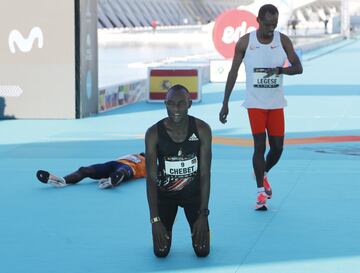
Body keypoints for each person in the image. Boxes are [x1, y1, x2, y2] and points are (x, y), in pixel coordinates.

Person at [219, 4, 303, 211]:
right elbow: (232, 72)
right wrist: (225, 103)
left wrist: (280, 71)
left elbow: (298, 68)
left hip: (275, 104)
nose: (271, 28)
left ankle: (262, 172)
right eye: (267, 24)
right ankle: (260, 195)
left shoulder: (282, 40)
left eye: (274, 24)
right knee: (259, 146)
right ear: (258, 20)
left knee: (278, 149)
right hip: (255, 103)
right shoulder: (245, 42)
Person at [145, 84, 212, 257]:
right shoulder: (153, 133)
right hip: (165, 197)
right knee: (161, 252)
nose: (176, 108)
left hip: (193, 196)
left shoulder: (202, 129)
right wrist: (154, 220)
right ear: (165, 104)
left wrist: (203, 214)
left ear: (189, 104)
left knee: (202, 251)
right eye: (171, 103)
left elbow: (205, 174)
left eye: (181, 103)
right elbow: (151, 178)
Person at [36, 153, 146, 189]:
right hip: (112, 164)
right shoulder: (134, 154)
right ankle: (62, 180)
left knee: (123, 171)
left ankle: (113, 179)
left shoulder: (150, 164)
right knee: (85, 170)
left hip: (129, 169)